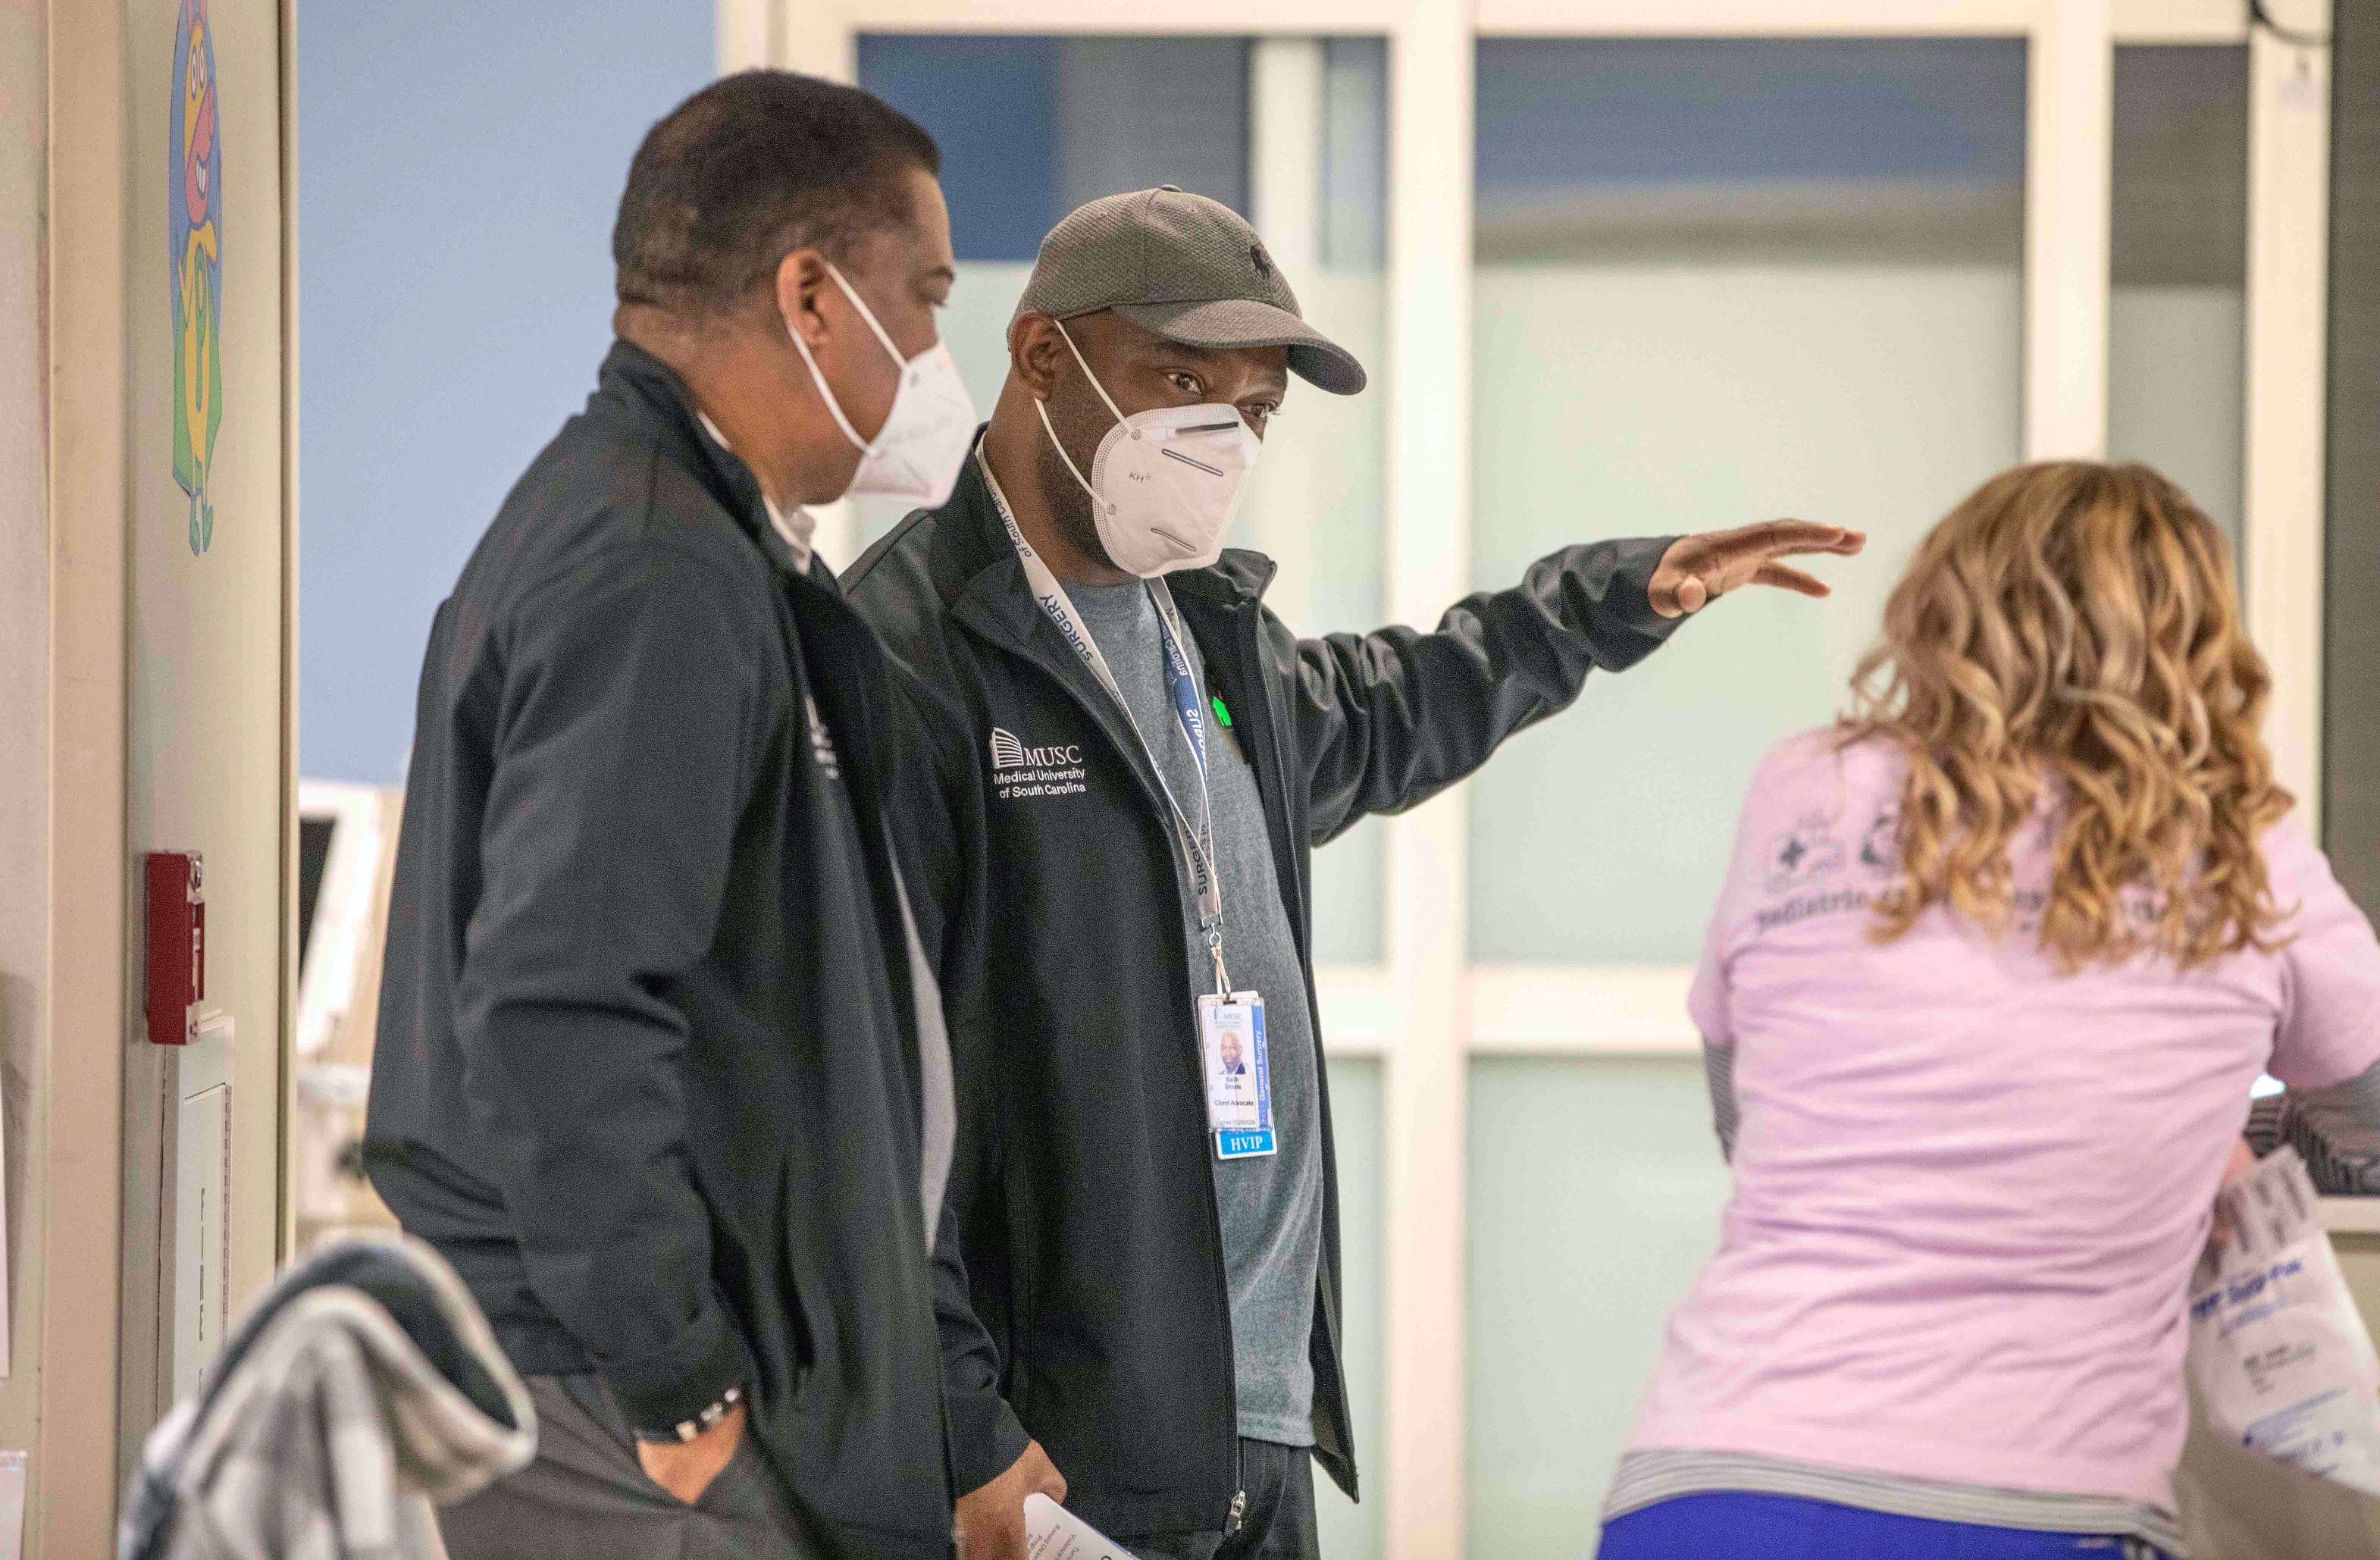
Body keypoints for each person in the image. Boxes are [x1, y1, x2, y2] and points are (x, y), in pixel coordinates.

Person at [842, 185, 1865, 1560]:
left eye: (1254, 407)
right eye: (1183, 380)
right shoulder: (902, 659)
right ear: (1041, 354)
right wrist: (960, 1424)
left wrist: (1615, 598)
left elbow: (1400, 702)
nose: (1222, 435)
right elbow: (853, 1096)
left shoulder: (1207, 636)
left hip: (1256, 1428)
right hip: (1051, 1449)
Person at [365, 71, 978, 1560]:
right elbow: (556, 1002)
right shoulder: (654, 564)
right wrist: (677, 1378)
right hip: (613, 1394)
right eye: (926, 297)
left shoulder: (703, 544)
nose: (935, 353)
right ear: (813, 298)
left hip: (660, 1370)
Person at [1597, 462, 2380, 1560]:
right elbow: (2363, 1115)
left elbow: (1751, 1120)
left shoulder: (1805, 787)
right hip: (2046, 1506)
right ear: (2192, 637)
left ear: (1945, 606)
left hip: (1718, 1481)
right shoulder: (2242, 847)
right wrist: (2182, 1147)